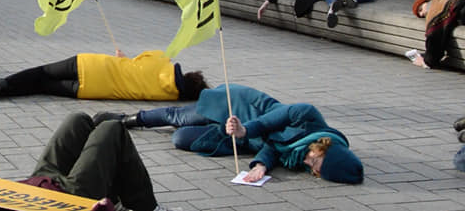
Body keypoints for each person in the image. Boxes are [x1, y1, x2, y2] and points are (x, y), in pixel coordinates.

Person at [98, 84, 364, 185]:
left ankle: (212, 129)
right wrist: (245, 128)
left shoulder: (300, 155)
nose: (309, 165)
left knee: (180, 138)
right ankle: (128, 120)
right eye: (316, 163)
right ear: (325, 148)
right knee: (180, 116)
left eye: (315, 171)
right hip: (244, 109)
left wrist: (260, 165)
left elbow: (275, 148)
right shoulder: (308, 116)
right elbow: (273, 121)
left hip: (243, 136)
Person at [0, 113, 173, 211]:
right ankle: (147, 208)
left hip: (33, 187)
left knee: (78, 121)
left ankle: (117, 192)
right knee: (111, 129)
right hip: (65, 200)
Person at [0, 49, 208, 102]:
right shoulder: (168, 98)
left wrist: (122, 56)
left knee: (40, 72)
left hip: (93, 65)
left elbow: (136, 61)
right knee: (42, 85)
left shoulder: (163, 61)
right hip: (90, 90)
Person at [405, 0, 465, 70]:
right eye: (420, 15)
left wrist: (426, 62)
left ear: (427, 1)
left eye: (420, 9)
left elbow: (434, 36)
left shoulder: (433, 6)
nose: (422, 14)